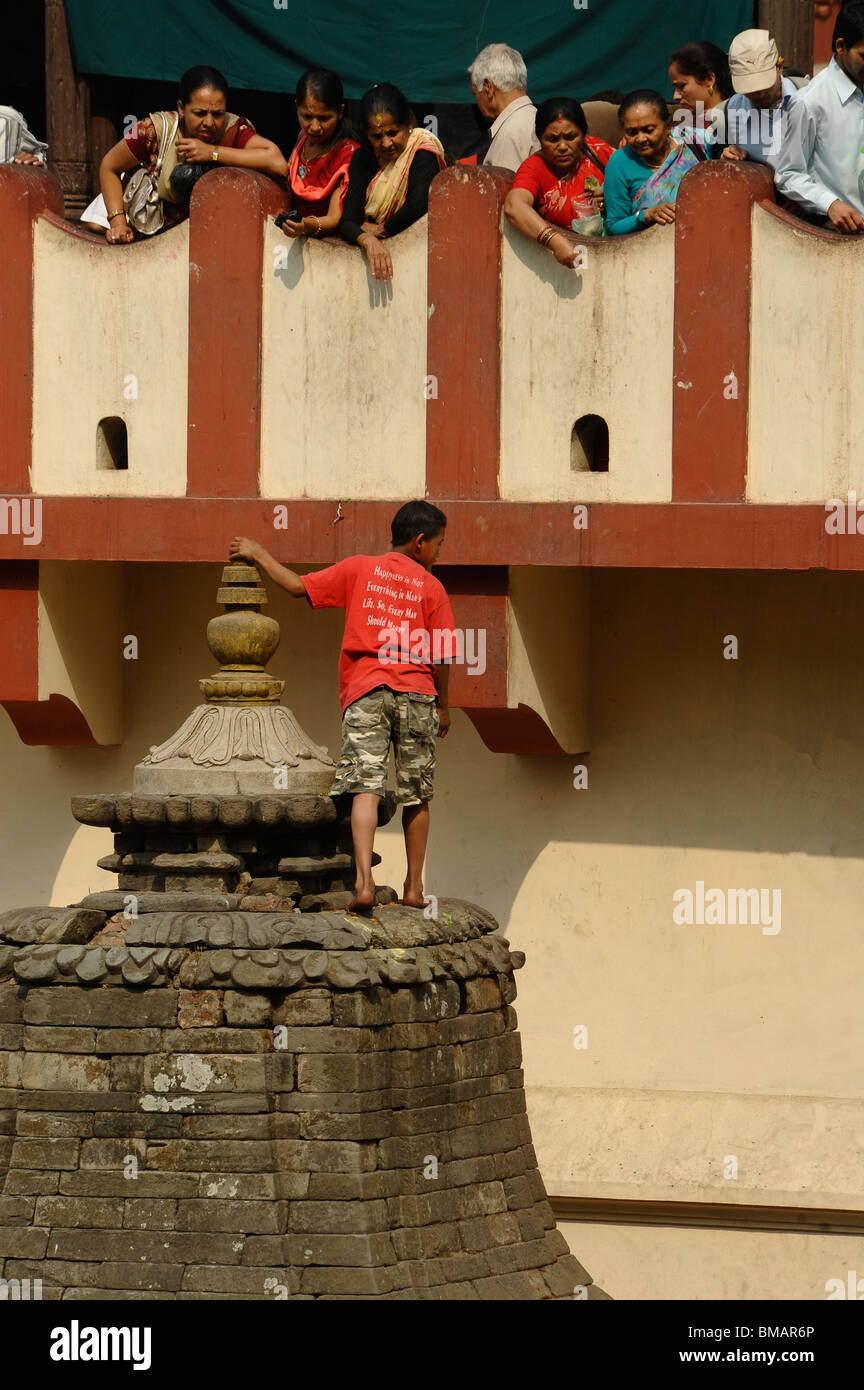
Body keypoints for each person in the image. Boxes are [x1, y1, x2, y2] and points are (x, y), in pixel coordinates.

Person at [229, 500, 456, 914]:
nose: (439, 553)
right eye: (439, 545)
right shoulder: (432, 588)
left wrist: (259, 554)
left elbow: (299, 588)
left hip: (367, 691)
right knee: (417, 795)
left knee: (364, 790)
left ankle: (364, 882)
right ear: (420, 542)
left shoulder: (359, 569)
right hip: (418, 694)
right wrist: (443, 706)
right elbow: (441, 655)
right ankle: (414, 885)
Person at [86, 65, 286, 244]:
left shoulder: (233, 130)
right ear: (181, 108)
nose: (209, 122)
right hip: (151, 243)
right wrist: (118, 223)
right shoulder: (153, 129)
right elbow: (109, 166)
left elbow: (276, 162)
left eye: (217, 114)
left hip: (211, 244)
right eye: (200, 113)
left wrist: (213, 153)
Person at [339, 84, 446, 283]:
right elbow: (348, 222)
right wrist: (368, 240)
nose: (386, 143)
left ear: (409, 123)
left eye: (392, 133)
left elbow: (416, 207)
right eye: (377, 136)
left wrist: (379, 229)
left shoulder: (422, 152)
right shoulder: (362, 158)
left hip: (420, 258)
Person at [775, 0, 864, 233]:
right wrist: (831, 204)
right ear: (841, 46)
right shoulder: (809, 102)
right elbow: (788, 174)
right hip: (836, 236)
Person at [504, 97, 614, 263]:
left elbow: (636, 188)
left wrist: (613, 198)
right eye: (553, 139)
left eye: (570, 137)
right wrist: (554, 241)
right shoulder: (534, 167)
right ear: (540, 140)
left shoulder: (599, 152)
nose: (562, 147)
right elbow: (514, 206)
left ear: (583, 135)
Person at [603, 90, 704, 236]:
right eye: (632, 132)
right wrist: (646, 216)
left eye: (648, 130)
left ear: (667, 126)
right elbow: (614, 226)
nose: (641, 139)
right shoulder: (619, 162)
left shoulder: (694, 142)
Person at [278, 69, 359, 241]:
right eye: (307, 116)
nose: (314, 127)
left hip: (330, 249)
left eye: (324, 118)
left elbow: (334, 218)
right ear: (296, 107)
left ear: (340, 112)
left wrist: (306, 225)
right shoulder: (302, 138)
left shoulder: (350, 155)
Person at [721, 29, 798, 167]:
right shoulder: (731, 109)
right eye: (750, 88)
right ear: (733, 77)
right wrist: (731, 158)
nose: (759, 95)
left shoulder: (808, 99)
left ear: (779, 67)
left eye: (764, 85)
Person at [468, 43, 540, 172]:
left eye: (475, 94)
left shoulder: (509, 134)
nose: (477, 102)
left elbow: (505, 191)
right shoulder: (535, 118)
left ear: (488, 87)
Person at [669, 40, 733, 149]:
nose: (675, 96)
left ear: (709, 79)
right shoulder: (684, 128)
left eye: (681, 86)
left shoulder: (740, 123)